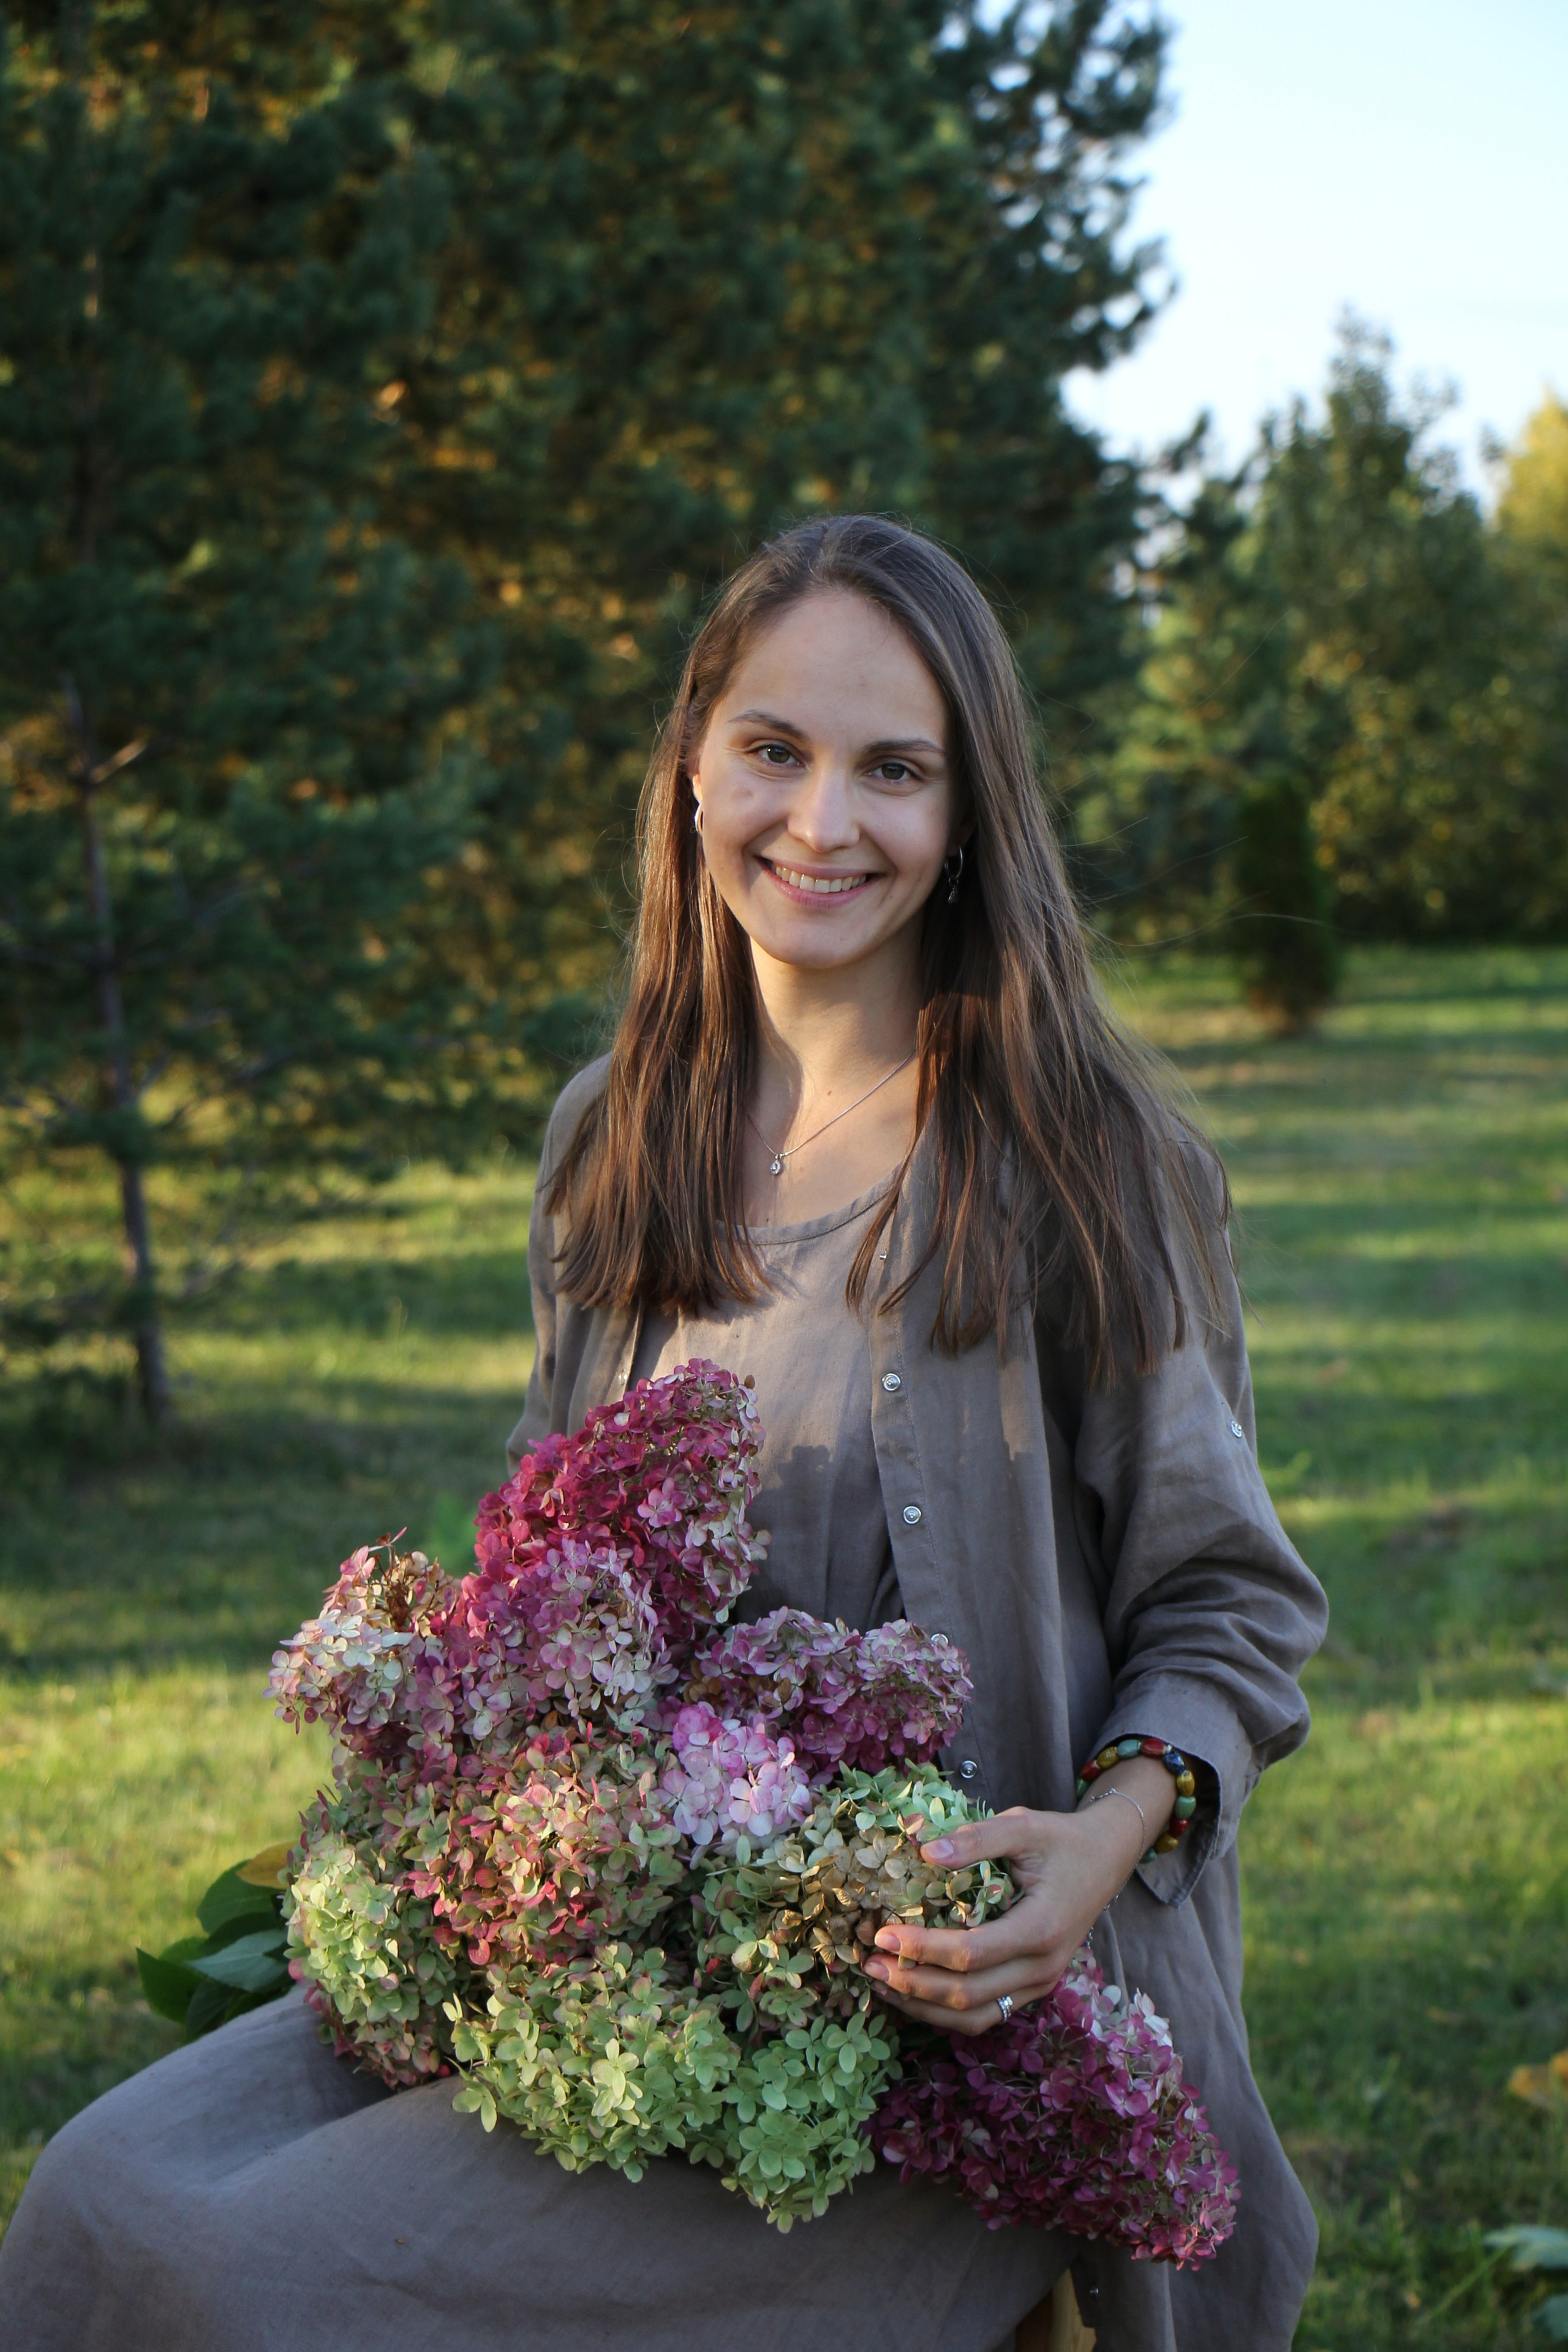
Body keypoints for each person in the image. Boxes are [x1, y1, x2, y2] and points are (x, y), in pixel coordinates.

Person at [0, 516, 1327, 2352]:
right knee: (99, 2194)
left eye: (895, 769)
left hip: (932, 2030)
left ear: (971, 818)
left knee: (271, 2279)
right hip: (629, 1980)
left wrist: (1110, 1838)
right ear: (694, 761)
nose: (822, 821)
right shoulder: (611, 1136)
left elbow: (1233, 1610)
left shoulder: (1091, 1163)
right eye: (774, 750)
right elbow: (549, 1587)